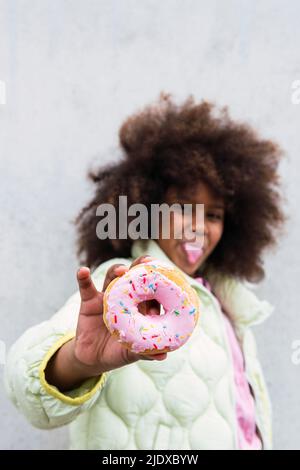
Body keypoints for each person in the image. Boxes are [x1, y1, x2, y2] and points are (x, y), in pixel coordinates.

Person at [4, 92, 286, 450]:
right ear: (146, 210)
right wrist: (78, 360)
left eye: (213, 215)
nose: (199, 226)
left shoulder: (226, 305)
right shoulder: (122, 285)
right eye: (184, 208)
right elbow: (25, 388)